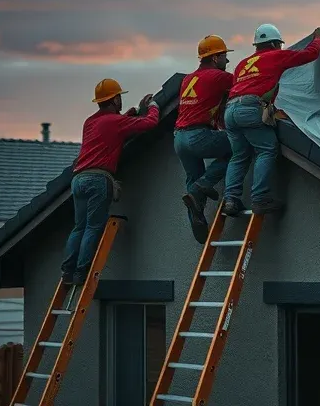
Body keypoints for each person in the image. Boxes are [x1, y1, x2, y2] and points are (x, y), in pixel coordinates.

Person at [61, 78, 160, 285]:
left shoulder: (90, 121)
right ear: (115, 99)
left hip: (78, 179)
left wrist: (129, 115)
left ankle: (67, 272)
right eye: (119, 98)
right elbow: (150, 123)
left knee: (79, 227)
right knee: (93, 227)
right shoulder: (115, 122)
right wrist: (152, 107)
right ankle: (81, 273)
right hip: (98, 178)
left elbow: (110, 129)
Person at [221, 24, 320, 216]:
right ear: (274, 43)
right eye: (279, 44)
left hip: (230, 111)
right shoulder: (275, 56)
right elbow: (310, 54)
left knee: (239, 156)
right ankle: (260, 198)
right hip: (250, 109)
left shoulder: (242, 64)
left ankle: (230, 200)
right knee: (266, 149)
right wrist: (319, 38)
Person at [175, 34, 235, 243]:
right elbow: (247, 86)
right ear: (216, 57)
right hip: (198, 135)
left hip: (179, 139)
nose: (227, 61)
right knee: (239, 145)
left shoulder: (187, 79)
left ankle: (197, 218)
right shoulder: (219, 77)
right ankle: (203, 185)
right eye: (225, 57)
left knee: (192, 178)